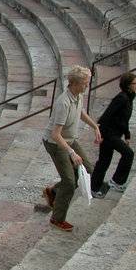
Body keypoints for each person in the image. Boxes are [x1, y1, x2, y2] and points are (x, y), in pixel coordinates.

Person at [42, 66, 103, 232]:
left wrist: (94, 127)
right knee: (69, 182)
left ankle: (53, 191)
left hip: (70, 139)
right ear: (75, 84)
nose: (87, 86)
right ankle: (57, 219)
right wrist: (72, 152)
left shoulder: (78, 95)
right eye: (85, 83)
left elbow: (81, 112)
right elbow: (55, 134)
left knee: (88, 169)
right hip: (56, 143)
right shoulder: (63, 103)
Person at [92, 72, 136, 198]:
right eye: (135, 83)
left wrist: (127, 135)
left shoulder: (129, 97)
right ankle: (116, 182)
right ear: (128, 85)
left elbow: (124, 119)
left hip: (115, 133)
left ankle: (95, 186)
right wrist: (99, 132)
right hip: (109, 134)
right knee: (128, 154)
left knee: (104, 160)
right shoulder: (121, 98)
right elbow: (106, 115)